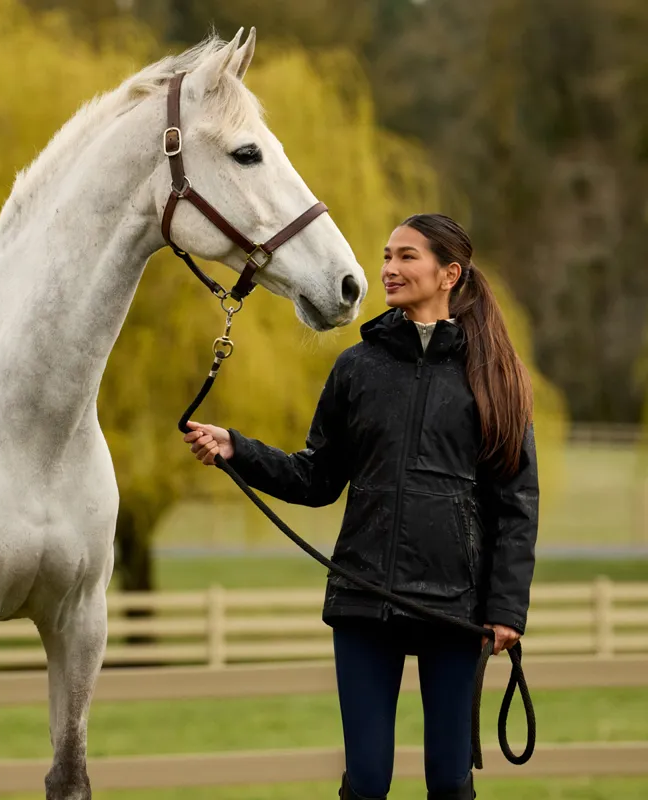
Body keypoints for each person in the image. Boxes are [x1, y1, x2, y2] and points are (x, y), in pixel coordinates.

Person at [182, 213, 539, 800]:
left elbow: (516, 502)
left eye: (406, 257)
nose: (389, 269)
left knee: (450, 783)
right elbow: (317, 477)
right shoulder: (358, 367)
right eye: (386, 256)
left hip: (454, 609)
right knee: (366, 782)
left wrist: (506, 609)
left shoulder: (495, 376)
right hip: (363, 599)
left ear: (449, 273)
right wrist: (236, 449)